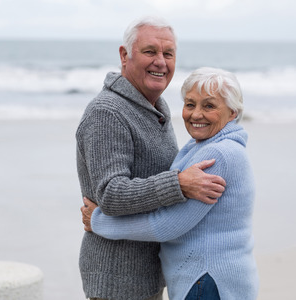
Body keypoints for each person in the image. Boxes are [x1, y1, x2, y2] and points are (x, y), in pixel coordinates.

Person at [76, 18, 227, 300]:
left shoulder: (154, 107)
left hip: (148, 276)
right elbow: (111, 193)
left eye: (168, 54)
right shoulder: (107, 112)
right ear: (124, 55)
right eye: (150, 52)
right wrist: (179, 184)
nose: (161, 62)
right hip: (116, 282)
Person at [82, 67, 259, 300]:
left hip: (206, 279)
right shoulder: (202, 146)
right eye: (190, 104)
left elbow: (167, 225)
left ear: (233, 113)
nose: (196, 114)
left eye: (209, 106)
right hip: (207, 278)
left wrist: (99, 222)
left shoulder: (218, 154)